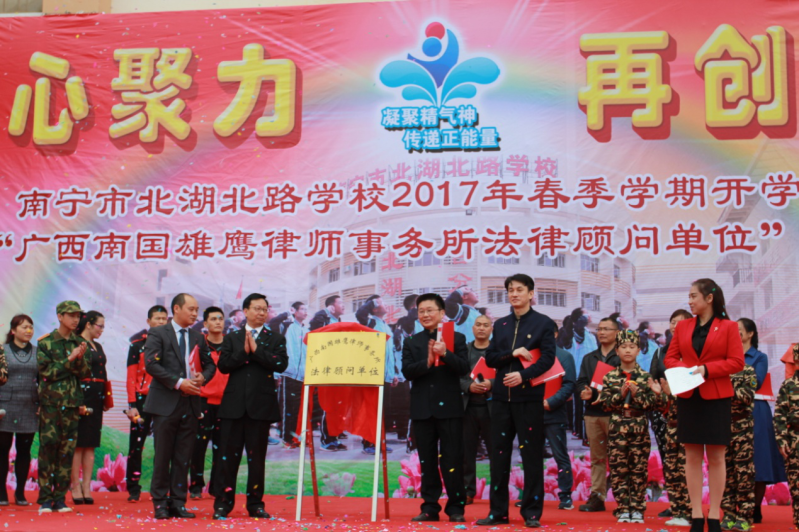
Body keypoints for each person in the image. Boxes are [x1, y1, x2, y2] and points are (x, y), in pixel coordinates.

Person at [664, 278, 744, 532]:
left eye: (693, 296)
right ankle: (697, 514)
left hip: (717, 397)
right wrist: (687, 370)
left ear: (709, 298)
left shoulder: (729, 326)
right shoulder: (683, 326)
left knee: (717, 457)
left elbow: (736, 362)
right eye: (689, 296)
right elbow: (670, 358)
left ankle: (715, 514)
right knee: (692, 456)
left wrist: (706, 369)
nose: (689, 301)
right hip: (689, 396)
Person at [477, 273, 556, 529]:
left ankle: (531, 513)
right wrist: (512, 353)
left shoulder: (543, 323)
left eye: (519, 289)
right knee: (498, 456)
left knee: (531, 456)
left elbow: (548, 359)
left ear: (531, 294)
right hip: (501, 400)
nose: (514, 294)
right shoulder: (500, 324)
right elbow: (490, 358)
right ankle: (497, 512)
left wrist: (523, 375)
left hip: (529, 399)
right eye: (510, 290)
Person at [213, 293, 288, 519]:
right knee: (227, 459)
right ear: (245, 311)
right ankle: (222, 505)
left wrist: (257, 350)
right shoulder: (232, 337)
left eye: (264, 309)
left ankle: (255, 505)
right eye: (257, 308)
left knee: (257, 461)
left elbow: (280, 363)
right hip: (233, 407)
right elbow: (224, 366)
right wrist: (244, 352)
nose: (261, 313)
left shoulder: (275, 338)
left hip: (260, 407)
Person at [144, 293, 216, 520]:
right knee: (162, 456)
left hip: (191, 404)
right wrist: (179, 383)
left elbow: (210, 365)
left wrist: (203, 377)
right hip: (165, 403)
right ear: (176, 308)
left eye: (197, 310)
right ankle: (159, 503)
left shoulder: (198, 337)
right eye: (191, 309)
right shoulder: (158, 333)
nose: (195, 314)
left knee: (183, 457)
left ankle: (178, 502)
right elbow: (151, 364)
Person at [402, 293, 469, 523]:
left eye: (430, 310)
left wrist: (445, 354)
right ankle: (430, 507)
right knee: (426, 460)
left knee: (453, 460)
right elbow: (407, 372)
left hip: (450, 409)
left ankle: (456, 508)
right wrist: (428, 362)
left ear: (442, 313)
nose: (425, 315)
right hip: (422, 409)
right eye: (421, 311)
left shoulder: (457, 338)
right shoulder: (411, 341)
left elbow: (464, 368)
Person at [597, 329, 666, 524]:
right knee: (619, 470)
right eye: (624, 347)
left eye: (632, 346)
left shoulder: (645, 377)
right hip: (617, 428)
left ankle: (637, 509)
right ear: (617, 351)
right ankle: (622, 508)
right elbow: (605, 405)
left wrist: (638, 394)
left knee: (638, 469)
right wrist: (620, 394)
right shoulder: (609, 377)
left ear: (638, 350)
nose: (628, 350)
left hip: (639, 428)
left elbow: (653, 405)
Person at [37, 300, 90, 514]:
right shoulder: (46, 343)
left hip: (71, 404)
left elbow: (84, 373)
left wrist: (78, 358)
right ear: (60, 316)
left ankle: (60, 499)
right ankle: (45, 499)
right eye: (71, 315)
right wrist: (70, 358)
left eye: (78, 316)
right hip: (50, 404)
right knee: (48, 449)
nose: (76, 319)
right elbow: (46, 373)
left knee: (67, 452)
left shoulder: (80, 342)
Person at [738, 318, 787, 525]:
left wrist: (733, 373)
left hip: (756, 411)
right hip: (733, 411)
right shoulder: (727, 356)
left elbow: (755, 382)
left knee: (759, 461)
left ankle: (755, 507)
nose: (736, 333)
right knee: (736, 461)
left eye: (739, 330)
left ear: (750, 334)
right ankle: (737, 508)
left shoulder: (760, 357)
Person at [652, 309, 692, 527]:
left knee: (687, 465)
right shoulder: (662, 353)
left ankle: (690, 510)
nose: (675, 326)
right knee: (671, 463)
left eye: (680, 322)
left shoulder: (694, 353)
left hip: (688, 416)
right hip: (665, 416)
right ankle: (677, 507)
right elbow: (653, 381)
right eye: (672, 321)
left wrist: (671, 393)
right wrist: (660, 395)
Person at [576, 316, 620, 512]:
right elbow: (580, 382)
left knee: (619, 457)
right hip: (592, 414)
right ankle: (597, 497)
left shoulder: (622, 357)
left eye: (606, 329)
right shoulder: (589, 358)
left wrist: (598, 394)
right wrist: (583, 392)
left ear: (617, 333)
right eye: (599, 329)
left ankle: (623, 499)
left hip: (615, 414)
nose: (601, 332)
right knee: (597, 458)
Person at [125, 304, 168, 502]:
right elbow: (131, 377)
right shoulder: (137, 345)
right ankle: (133, 488)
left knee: (163, 446)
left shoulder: (171, 345)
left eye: (164, 319)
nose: (161, 322)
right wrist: (132, 404)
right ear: (148, 321)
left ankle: (160, 488)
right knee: (136, 445)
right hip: (142, 401)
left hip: (164, 400)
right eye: (157, 318)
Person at [189, 306, 229, 499]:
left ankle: (216, 487)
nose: (218, 322)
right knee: (198, 446)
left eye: (220, 318)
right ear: (205, 323)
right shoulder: (198, 346)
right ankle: (196, 486)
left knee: (222, 447)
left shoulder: (231, 345)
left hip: (226, 403)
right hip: (202, 401)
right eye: (213, 319)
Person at [71, 311, 108, 506]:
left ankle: (87, 486)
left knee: (91, 443)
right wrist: (78, 400)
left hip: (97, 397)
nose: (101, 330)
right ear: (88, 325)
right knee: (78, 443)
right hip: (82, 396)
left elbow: (103, 372)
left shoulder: (97, 346)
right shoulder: (77, 343)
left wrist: (106, 398)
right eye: (99, 326)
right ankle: (75, 486)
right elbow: (73, 374)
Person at [356, 295, 397, 455]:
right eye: (381, 302)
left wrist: (393, 374)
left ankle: (379, 442)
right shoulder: (370, 322)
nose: (385, 304)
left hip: (385, 375)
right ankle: (368, 443)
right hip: (372, 375)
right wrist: (372, 302)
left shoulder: (385, 325)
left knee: (382, 411)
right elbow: (360, 314)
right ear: (374, 308)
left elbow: (390, 353)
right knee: (371, 411)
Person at [0, 315, 34, 506]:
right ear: (13, 331)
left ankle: (20, 492)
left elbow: (43, 380)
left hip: (29, 406)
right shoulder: (2, 351)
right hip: (4, 406)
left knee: (24, 451)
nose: (28, 330)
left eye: (30, 327)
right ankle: (1, 492)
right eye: (23, 327)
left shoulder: (38, 352)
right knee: (2, 450)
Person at [461, 314, 494, 506]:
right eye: (478, 325)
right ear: (473, 328)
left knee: (496, 452)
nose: (481, 328)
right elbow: (456, 376)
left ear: (491, 329)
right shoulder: (464, 351)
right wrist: (468, 386)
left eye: (485, 325)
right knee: (467, 453)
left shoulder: (498, 352)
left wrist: (492, 383)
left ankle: (497, 491)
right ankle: (468, 491)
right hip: (468, 408)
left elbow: (507, 375)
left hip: (492, 408)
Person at [720, 361, 757, 531]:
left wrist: (725, 387)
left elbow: (747, 396)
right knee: (724, 472)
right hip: (721, 427)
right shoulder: (717, 370)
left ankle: (744, 516)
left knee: (744, 472)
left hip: (742, 427)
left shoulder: (747, 370)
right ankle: (728, 514)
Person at [306, 295, 345, 450]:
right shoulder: (323, 319)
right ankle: (326, 440)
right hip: (326, 368)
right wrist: (324, 312)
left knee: (338, 406)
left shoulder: (339, 322)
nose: (343, 305)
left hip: (339, 369)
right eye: (340, 303)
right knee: (328, 406)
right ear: (331, 306)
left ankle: (335, 437)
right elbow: (313, 328)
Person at [543, 331, 576, 510]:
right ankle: (532, 495)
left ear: (555, 333)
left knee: (560, 455)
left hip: (554, 414)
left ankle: (565, 495)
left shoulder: (564, 356)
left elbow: (569, 384)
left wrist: (552, 402)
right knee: (531, 456)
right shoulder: (531, 356)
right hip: (532, 414)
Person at [559, 308, 597, 444]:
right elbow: (578, 333)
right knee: (582, 407)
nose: (590, 314)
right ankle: (585, 436)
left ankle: (584, 434)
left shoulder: (589, 334)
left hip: (590, 375)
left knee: (588, 407)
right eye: (586, 313)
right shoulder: (574, 334)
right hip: (578, 376)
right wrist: (579, 322)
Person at [774, 344, 799, 530]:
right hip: (795, 439)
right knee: (796, 483)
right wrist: (782, 440)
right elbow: (780, 415)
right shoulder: (788, 385)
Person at [280, 301, 311, 448]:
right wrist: (287, 313)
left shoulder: (306, 330)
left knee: (299, 409)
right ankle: (286, 438)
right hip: (290, 374)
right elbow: (274, 324)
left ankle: (296, 437)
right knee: (289, 408)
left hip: (303, 375)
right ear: (295, 311)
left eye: (306, 309)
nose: (305, 312)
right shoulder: (287, 326)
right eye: (302, 309)